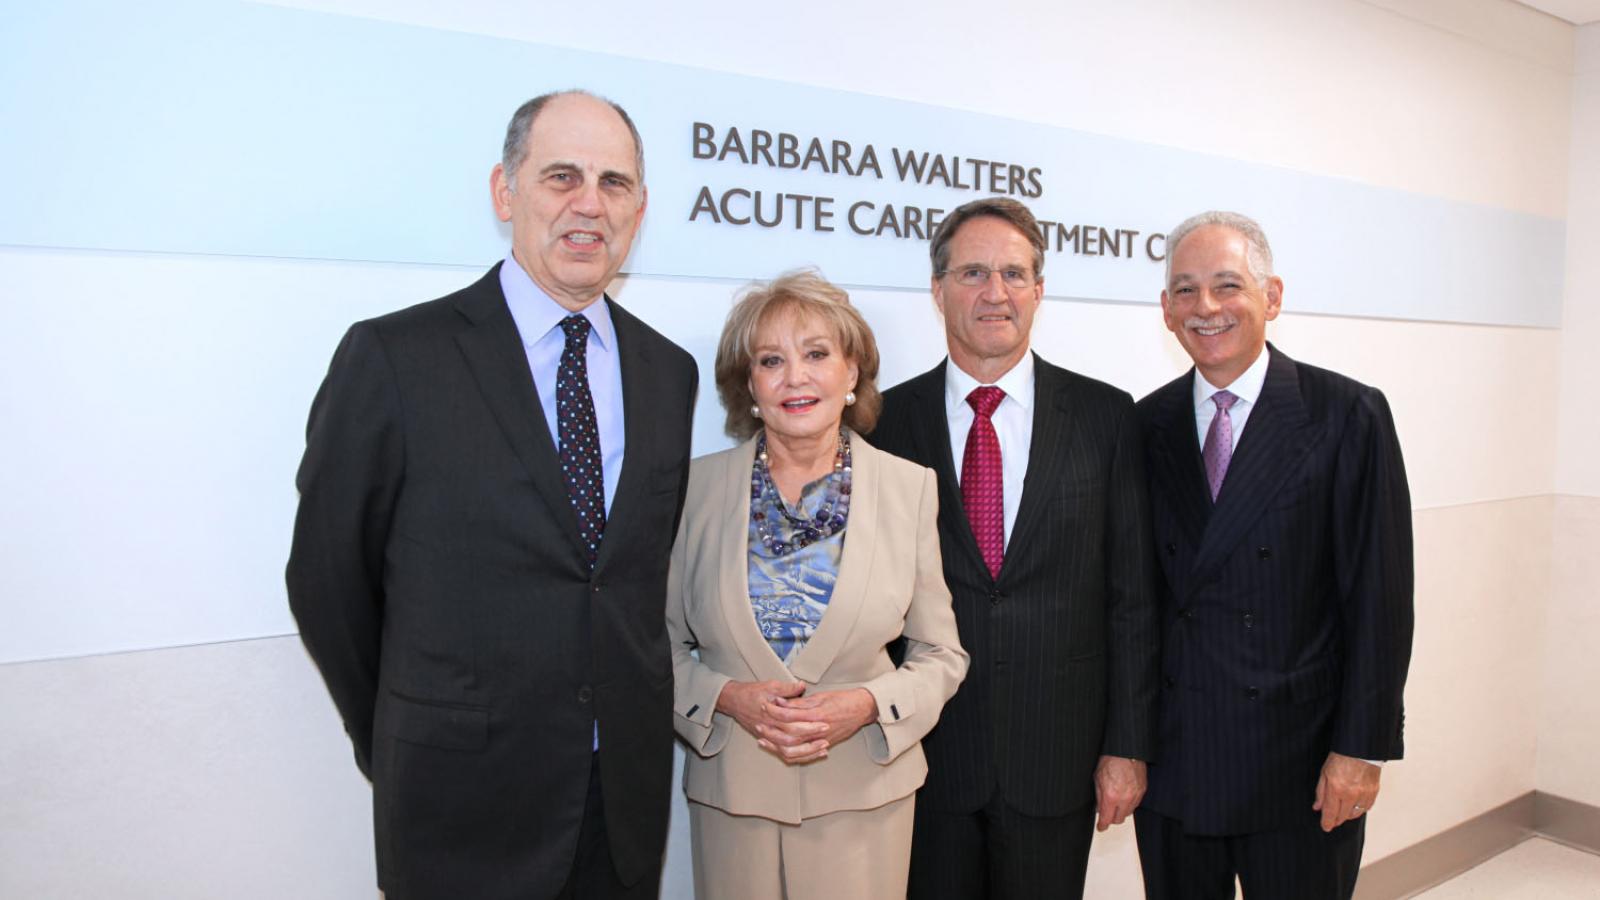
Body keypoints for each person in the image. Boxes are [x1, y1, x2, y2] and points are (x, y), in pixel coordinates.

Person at [285, 90, 697, 900]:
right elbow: (329, 581)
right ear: (505, 192)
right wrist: (408, 734)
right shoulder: (396, 358)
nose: (590, 204)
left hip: (621, 806)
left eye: (615, 183)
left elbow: (625, 578)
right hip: (456, 806)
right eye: (561, 176)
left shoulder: (667, 372)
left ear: (641, 209)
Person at [872, 197, 1160, 899]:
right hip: (926, 757)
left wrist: (1126, 746)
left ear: (1038, 290)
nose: (994, 293)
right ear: (938, 291)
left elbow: (1133, 598)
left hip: (1056, 758)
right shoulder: (885, 422)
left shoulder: (1106, 417)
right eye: (972, 273)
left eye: (1012, 273)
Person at [1134, 211, 1414, 900]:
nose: (1206, 308)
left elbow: (1380, 599)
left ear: (1272, 297)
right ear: (1167, 311)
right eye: (1186, 291)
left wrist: (1361, 750)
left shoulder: (1346, 415)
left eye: (1227, 286)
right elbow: (1132, 603)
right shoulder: (1145, 424)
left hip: (1303, 762)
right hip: (1178, 758)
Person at [666, 270, 969, 900]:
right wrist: (725, 697)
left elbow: (941, 654)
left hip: (864, 800)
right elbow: (652, 646)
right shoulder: (691, 490)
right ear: (749, 385)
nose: (795, 377)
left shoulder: (909, 487)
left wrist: (865, 706)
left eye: (816, 354)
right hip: (733, 800)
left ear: (852, 373)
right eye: (771, 360)